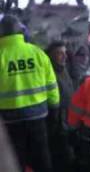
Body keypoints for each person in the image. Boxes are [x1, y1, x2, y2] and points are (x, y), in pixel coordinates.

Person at [0, 15, 60, 172]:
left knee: (16, 161)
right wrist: (54, 108)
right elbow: (51, 85)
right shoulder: (37, 53)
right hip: (38, 117)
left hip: (9, 121)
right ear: (20, 32)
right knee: (42, 160)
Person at [46, 41, 75, 171]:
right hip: (57, 128)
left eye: (65, 53)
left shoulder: (63, 70)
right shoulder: (49, 73)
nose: (64, 56)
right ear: (50, 56)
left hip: (67, 125)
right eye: (59, 53)